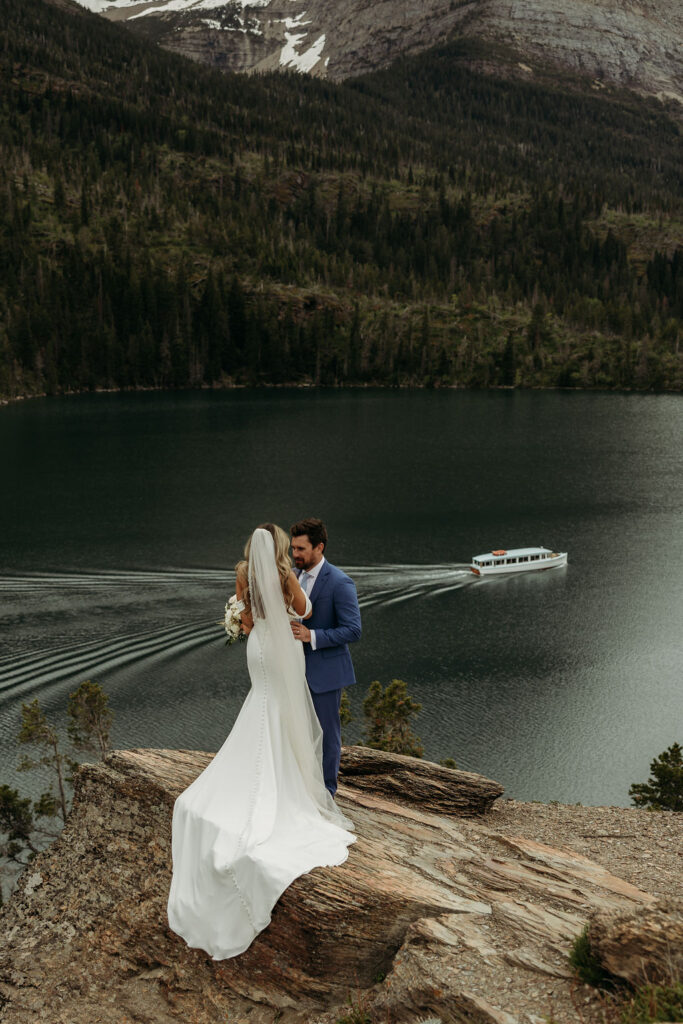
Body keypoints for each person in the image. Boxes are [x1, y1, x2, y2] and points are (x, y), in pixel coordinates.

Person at [166, 524, 355, 960]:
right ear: (282, 548)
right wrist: (288, 596)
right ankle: (294, 781)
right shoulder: (285, 572)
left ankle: (258, 769)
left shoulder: (242, 571)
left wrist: (243, 619)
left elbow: (247, 621)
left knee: (262, 703)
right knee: (286, 710)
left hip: (259, 649)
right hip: (285, 646)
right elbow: (304, 611)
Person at [289, 518, 362, 797]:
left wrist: (312, 636)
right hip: (292, 669)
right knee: (296, 732)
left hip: (325, 674)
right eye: (293, 548)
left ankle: (327, 794)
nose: (295, 554)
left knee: (327, 735)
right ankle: (299, 789)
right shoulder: (292, 577)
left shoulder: (341, 582)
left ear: (319, 547)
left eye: (301, 549)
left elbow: (353, 630)